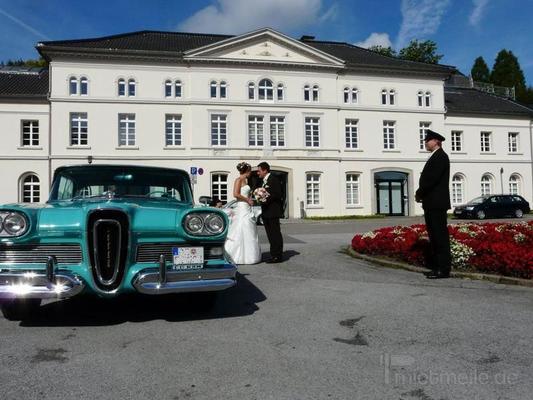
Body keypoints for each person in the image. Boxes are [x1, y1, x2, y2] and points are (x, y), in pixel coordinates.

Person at [415, 129, 452, 279]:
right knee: (434, 235)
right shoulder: (435, 156)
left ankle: (443, 269)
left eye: (428, 140)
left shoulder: (440, 157)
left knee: (439, 235)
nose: (425, 142)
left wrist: (419, 192)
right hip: (432, 202)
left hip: (437, 203)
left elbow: (431, 180)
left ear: (436, 141)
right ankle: (437, 266)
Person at [224, 162, 261, 264]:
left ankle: (249, 256)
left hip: (247, 207)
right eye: (249, 171)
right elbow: (235, 194)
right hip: (241, 207)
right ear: (247, 171)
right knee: (240, 228)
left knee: (249, 229)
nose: (250, 173)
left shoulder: (246, 180)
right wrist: (247, 200)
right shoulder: (238, 180)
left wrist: (251, 199)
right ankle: (235, 255)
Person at [256, 162, 284, 263]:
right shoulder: (263, 181)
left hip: (273, 211)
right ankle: (273, 254)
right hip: (266, 212)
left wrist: (265, 198)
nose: (258, 173)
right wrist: (259, 197)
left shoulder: (273, 179)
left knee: (275, 234)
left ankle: (278, 256)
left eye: (259, 171)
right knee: (270, 234)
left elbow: (278, 194)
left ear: (265, 170)